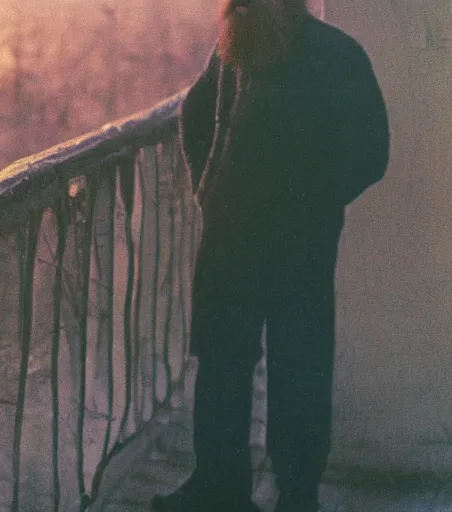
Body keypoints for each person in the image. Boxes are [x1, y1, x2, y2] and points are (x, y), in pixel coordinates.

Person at [151, 0, 389, 511]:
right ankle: (227, 489)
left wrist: (309, 204)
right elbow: (195, 112)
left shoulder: (332, 54)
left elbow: (371, 152)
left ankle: (286, 494)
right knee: (229, 364)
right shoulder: (234, 52)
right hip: (242, 241)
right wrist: (208, 189)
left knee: (286, 365)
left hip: (286, 244)